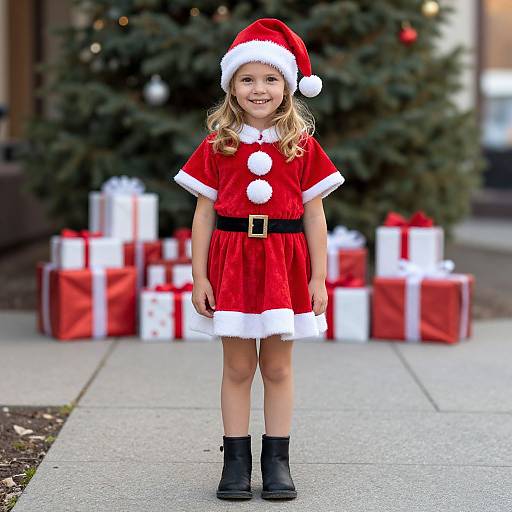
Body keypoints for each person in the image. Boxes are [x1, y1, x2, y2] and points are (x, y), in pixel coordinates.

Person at [173, 18, 345, 500]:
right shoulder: (217, 145)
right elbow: (203, 215)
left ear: (288, 87)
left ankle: (277, 463)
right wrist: (199, 276)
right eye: (247, 79)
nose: (259, 89)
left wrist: (319, 278)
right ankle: (234, 464)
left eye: (270, 79)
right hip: (232, 266)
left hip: (284, 267)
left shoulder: (302, 147)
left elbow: (316, 217)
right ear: (232, 86)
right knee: (236, 368)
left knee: (278, 368)